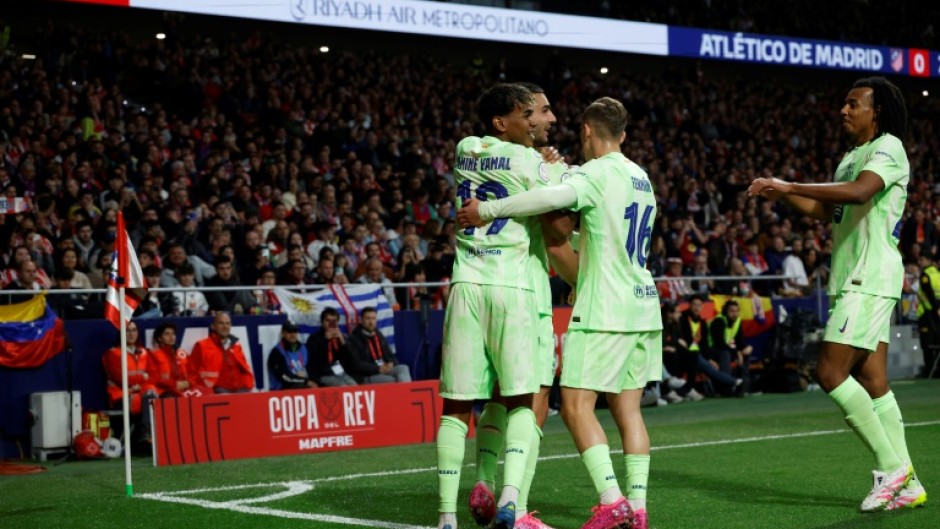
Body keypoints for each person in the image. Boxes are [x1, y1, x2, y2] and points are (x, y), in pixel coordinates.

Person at [460, 96, 659, 529]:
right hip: (645, 303)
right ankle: (638, 508)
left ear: (586, 130)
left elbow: (544, 202)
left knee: (573, 406)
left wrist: (486, 210)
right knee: (629, 410)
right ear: (623, 135)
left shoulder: (594, 174)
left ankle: (612, 502)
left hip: (605, 306)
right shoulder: (641, 177)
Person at [748, 76, 925, 511]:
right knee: (874, 380)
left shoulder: (888, 147)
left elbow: (862, 191)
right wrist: (780, 192)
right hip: (853, 276)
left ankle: (891, 467)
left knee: (829, 372)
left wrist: (791, 185)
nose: (844, 110)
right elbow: (828, 208)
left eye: (853, 104)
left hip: (869, 275)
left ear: (876, 111)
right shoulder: (849, 158)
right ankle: (910, 483)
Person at [435, 83, 545, 529]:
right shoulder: (529, 161)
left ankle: (446, 517)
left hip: (466, 284)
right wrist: (551, 164)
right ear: (502, 121)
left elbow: (485, 152)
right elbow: (555, 200)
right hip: (511, 286)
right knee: (521, 400)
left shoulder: (465, 148)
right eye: (526, 114)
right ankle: (510, 500)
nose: (534, 123)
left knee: (455, 407)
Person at [466, 82, 568, 529]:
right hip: (524, 290)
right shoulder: (532, 164)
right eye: (537, 112)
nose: (546, 119)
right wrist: (556, 175)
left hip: (478, 283)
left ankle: (484, 480)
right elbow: (558, 232)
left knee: (495, 394)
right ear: (509, 120)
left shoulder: (473, 157)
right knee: (534, 395)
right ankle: (517, 506)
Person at [102, 321, 156, 444]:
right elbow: (122, 378)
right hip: (121, 395)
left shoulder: (144, 352)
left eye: (134, 330)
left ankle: (148, 434)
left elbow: (153, 376)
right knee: (148, 398)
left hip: (139, 393)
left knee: (152, 393)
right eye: (127, 330)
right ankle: (145, 433)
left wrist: (140, 383)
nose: (131, 334)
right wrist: (143, 378)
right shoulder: (113, 353)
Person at [189, 312, 255, 394]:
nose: (225, 326)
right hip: (217, 389)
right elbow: (191, 371)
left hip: (241, 388)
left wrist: (248, 384)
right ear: (213, 326)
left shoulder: (236, 345)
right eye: (221, 323)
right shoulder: (201, 346)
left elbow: (244, 368)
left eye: (227, 323)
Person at [346, 307, 412, 384]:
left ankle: (407, 391)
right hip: (367, 375)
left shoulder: (379, 335)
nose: (371, 322)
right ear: (361, 320)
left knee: (403, 368)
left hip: (383, 369)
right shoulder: (354, 338)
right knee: (391, 380)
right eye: (368, 318)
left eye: (373, 318)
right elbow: (356, 365)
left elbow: (391, 356)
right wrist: (377, 368)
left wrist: (392, 363)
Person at [707, 300, 752, 394]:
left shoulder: (737, 321)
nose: (734, 314)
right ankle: (726, 388)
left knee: (746, 353)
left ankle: (744, 387)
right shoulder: (719, 321)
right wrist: (736, 353)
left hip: (727, 348)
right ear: (725, 311)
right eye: (731, 311)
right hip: (713, 350)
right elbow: (719, 343)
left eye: (736, 311)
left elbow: (739, 341)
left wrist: (746, 348)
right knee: (725, 354)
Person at [147, 322, 200, 398]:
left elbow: (194, 373)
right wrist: (174, 384)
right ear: (159, 338)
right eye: (167, 334)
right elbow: (154, 378)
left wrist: (189, 383)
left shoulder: (182, 353)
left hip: (186, 388)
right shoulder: (152, 354)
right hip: (165, 391)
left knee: (206, 393)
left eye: (173, 334)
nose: (171, 337)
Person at [305, 308, 357, 387]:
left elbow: (351, 360)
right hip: (323, 374)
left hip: (340, 372)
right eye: (328, 321)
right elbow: (314, 361)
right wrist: (325, 341)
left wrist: (343, 343)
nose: (331, 324)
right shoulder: (314, 338)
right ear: (322, 322)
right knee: (342, 386)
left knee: (354, 386)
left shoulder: (342, 337)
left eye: (334, 321)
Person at [267, 321, 317, 390]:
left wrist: (310, 379)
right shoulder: (277, 352)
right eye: (289, 331)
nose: (293, 334)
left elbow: (312, 369)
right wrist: (305, 381)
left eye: (295, 331)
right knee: (307, 387)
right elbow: (286, 378)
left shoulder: (303, 348)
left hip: (300, 383)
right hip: (281, 389)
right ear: (283, 333)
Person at [915, 252, 940, 378]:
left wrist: (936, 308)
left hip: (927, 314)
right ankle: (937, 371)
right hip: (937, 315)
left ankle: (929, 371)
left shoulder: (925, 275)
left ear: (927, 260)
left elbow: (929, 293)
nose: (919, 262)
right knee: (937, 342)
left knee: (927, 344)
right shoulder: (938, 274)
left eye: (921, 259)